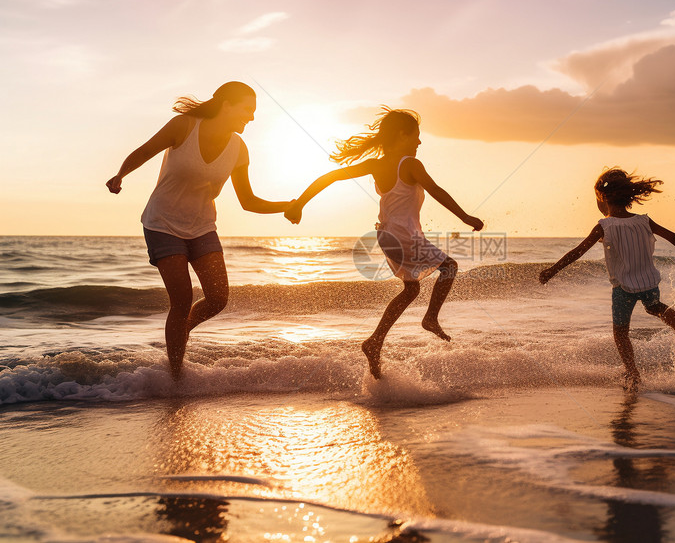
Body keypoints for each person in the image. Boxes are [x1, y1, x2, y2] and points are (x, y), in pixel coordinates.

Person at [106, 81, 293, 380]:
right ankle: (176, 377)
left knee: (218, 298)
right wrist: (120, 175)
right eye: (248, 109)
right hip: (162, 223)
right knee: (181, 300)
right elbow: (145, 151)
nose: (252, 117)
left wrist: (287, 205)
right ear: (226, 104)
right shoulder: (184, 126)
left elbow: (248, 201)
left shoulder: (239, 148)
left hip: (203, 226)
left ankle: (179, 332)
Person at [284, 107, 483, 379]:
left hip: (386, 235)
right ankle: (430, 318)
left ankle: (375, 341)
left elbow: (330, 176)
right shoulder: (410, 165)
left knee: (411, 290)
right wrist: (465, 216)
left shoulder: (377, 164)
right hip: (403, 235)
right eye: (416, 136)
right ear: (402, 135)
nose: (419, 142)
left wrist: (300, 204)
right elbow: (435, 191)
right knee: (449, 267)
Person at [539, 168, 675, 390]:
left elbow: (577, 252)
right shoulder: (644, 221)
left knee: (621, 333)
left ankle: (633, 375)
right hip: (649, 281)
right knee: (654, 307)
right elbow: (674, 238)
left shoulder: (604, 226)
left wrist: (553, 270)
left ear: (603, 198)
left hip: (623, 287)